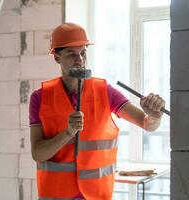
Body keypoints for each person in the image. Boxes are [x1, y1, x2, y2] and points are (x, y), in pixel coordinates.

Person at [29, 22, 165, 200]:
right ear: (56, 57)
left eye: (83, 52)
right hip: (56, 194)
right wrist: (68, 133)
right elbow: (38, 153)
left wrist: (155, 116)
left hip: (96, 195)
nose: (80, 60)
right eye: (71, 54)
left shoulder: (105, 92)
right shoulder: (40, 98)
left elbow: (147, 124)